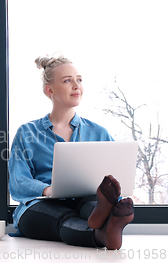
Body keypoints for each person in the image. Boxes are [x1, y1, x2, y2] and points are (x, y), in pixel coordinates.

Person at [8, 54, 134, 250]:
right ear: (49, 90)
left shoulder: (99, 132)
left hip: (85, 199)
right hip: (40, 205)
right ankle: (103, 234)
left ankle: (104, 219)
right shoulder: (27, 132)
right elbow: (18, 181)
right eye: (67, 81)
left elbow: (114, 174)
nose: (77, 86)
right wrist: (47, 190)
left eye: (79, 80)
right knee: (63, 219)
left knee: (92, 205)